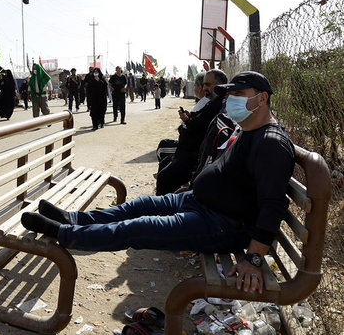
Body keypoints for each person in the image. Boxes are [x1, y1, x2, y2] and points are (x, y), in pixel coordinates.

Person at [22, 71, 294, 293]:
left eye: (238, 95)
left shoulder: (271, 143)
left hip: (222, 224)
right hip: (199, 202)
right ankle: (76, 219)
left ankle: (64, 235)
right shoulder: (249, 127)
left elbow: (273, 205)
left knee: (136, 228)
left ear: (262, 99)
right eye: (229, 95)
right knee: (138, 206)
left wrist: (254, 258)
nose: (230, 101)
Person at [156, 69, 228, 194]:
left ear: (220, 85)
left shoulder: (218, 106)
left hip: (193, 157)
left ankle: (164, 208)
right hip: (186, 152)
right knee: (165, 164)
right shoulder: (211, 102)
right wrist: (189, 119)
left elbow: (199, 128)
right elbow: (197, 122)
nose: (204, 88)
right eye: (203, 84)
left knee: (164, 177)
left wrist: (189, 122)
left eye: (208, 85)